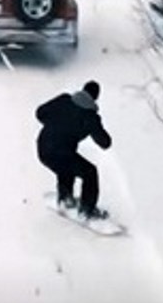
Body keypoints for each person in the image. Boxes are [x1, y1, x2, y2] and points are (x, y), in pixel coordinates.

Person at [35, 80, 113, 220]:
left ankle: (65, 199)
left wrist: (54, 124)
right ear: (95, 97)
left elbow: (40, 113)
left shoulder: (64, 100)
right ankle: (86, 211)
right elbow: (105, 143)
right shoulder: (90, 117)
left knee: (66, 167)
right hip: (62, 153)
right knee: (89, 172)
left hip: (43, 148)